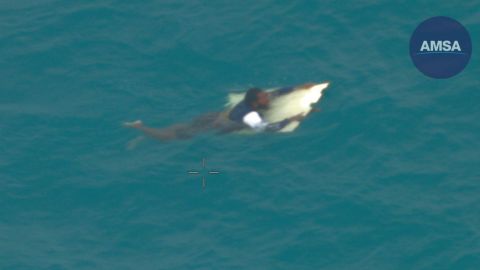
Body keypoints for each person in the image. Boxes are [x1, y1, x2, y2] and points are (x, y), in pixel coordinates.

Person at [124, 83, 314, 141]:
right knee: (173, 137)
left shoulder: (251, 102)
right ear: (256, 102)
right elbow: (267, 128)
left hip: (214, 116)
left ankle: (143, 132)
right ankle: (141, 128)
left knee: (182, 127)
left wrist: (298, 88)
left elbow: (276, 93)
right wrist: (293, 118)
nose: (268, 98)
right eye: (264, 97)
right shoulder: (251, 115)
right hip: (214, 125)